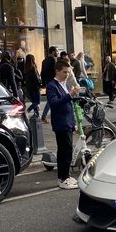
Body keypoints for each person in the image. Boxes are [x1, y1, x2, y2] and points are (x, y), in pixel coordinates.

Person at [46, 60, 80, 190]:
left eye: (68, 72)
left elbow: (70, 106)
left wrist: (74, 122)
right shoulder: (52, 86)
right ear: (57, 71)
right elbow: (54, 103)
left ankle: (66, 175)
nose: (67, 75)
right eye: (64, 72)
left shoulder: (64, 84)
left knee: (67, 150)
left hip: (68, 122)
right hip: (60, 122)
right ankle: (63, 178)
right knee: (64, 151)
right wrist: (70, 95)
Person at [40, 46, 59, 123]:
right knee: (52, 99)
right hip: (53, 81)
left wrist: (43, 83)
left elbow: (42, 72)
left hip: (47, 82)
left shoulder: (44, 61)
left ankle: (49, 115)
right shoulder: (53, 60)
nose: (57, 53)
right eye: (57, 51)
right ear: (53, 51)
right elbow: (55, 71)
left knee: (51, 99)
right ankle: (45, 115)